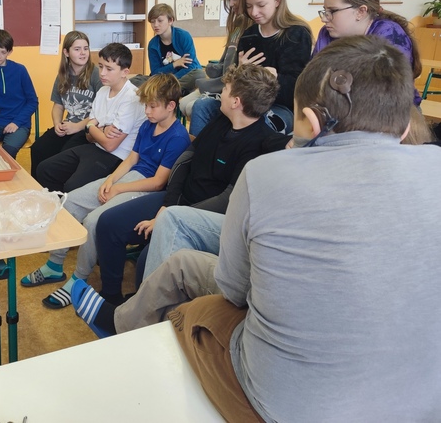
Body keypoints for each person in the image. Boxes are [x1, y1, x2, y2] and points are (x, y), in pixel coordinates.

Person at [72, 35, 441, 421]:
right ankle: (127, 322)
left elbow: (233, 287)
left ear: (311, 122)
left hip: (285, 402)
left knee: (198, 310)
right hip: (416, 402)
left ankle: (135, 348)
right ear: (403, 126)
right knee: (185, 262)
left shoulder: (267, 171)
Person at [93, 63, 286, 303]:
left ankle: (140, 311)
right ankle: (111, 298)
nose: (221, 93)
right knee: (108, 223)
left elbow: (226, 200)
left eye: (225, 89)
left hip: (200, 216)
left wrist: (172, 215)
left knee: (146, 263)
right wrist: (168, 205)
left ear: (236, 102)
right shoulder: (221, 121)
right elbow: (184, 161)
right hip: (176, 200)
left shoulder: (259, 143)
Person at [23, 74, 190, 308]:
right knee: (70, 201)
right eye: (146, 106)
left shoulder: (178, 137)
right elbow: (132, 159)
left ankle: (78, 280)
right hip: (129, 177)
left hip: (145, 187)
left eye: (152, 106)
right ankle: (54, 265)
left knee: (94, 220)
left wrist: (119, 188)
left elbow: (158, 182)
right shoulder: (148, 125)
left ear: (171, 106)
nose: (147, 111)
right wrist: (110, 180)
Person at [189, 0, 313, 136]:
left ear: (277, 0)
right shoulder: (249, 34)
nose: (254, 12)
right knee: (202, 106)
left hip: (279, 106)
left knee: (261, 122)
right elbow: (234, 83)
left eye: (261, 5)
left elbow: (296, 90)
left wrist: (273, 78)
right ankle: (198, 152)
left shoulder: (296, 34)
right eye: (248, 6)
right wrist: (240, 71)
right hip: (244, 101)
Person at [313, 0, 429, 142]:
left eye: (332, 11)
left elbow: (379, 94)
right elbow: (314, 80)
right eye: (324, 11)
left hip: (391, 115)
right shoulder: (327, 33)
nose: (325, 18)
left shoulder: (389, 34)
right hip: (341, 113)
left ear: (361, 11)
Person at [35, 43, 146, 193]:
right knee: (45, 169)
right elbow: (88, 135)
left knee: (72, 186)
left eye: (109, 69)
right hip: (95, 147)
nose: (102, 73)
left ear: (125, 72)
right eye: (100, 66)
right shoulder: (102, 91)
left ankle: (69, 206)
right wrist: (97, 129)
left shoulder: (131, 98)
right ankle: (61, 205)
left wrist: (92, 127)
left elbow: (110, 145)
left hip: (117, 157)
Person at [179, 0, 254, 118]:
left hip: (231, 88)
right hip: (221, 82)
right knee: (183, 104)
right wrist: (214, 68)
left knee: (193, 107)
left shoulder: (252, 30)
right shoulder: (237, 25)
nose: (230, 4)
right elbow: (224, 62)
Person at [29, 31, 101, 178]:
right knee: (38, 148)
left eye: (86, 48)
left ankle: (59, 189)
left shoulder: (96, 74)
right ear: (66, 52)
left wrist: (77, 127)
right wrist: (57, 124)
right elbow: (58, 105)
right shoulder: (63, 74)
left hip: (88, 129)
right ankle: (39, 188)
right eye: (77, 49)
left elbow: (101, 113)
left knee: (63, 155)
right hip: (68, 125)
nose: (83, 53)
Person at [0, 29, 39, 159]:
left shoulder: (20, 70)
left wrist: (16, 123)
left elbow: (33, 101)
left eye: (3, 52)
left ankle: (6, 172)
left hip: (19, 124)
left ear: (10, 52)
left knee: (7, 153)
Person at [146, 3, 206, 94]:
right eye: (152, 21)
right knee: (136, 80)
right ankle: (173, 91)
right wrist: (174, 65)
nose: (155, 25)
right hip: (165, 80)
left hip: (182, 77)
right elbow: (155, 72)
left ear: (170, 21)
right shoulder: (153, 44)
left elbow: (191, 66)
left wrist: (170, 81)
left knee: (199, 75)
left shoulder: (183, 36)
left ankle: (166, 90)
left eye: (160, 21)